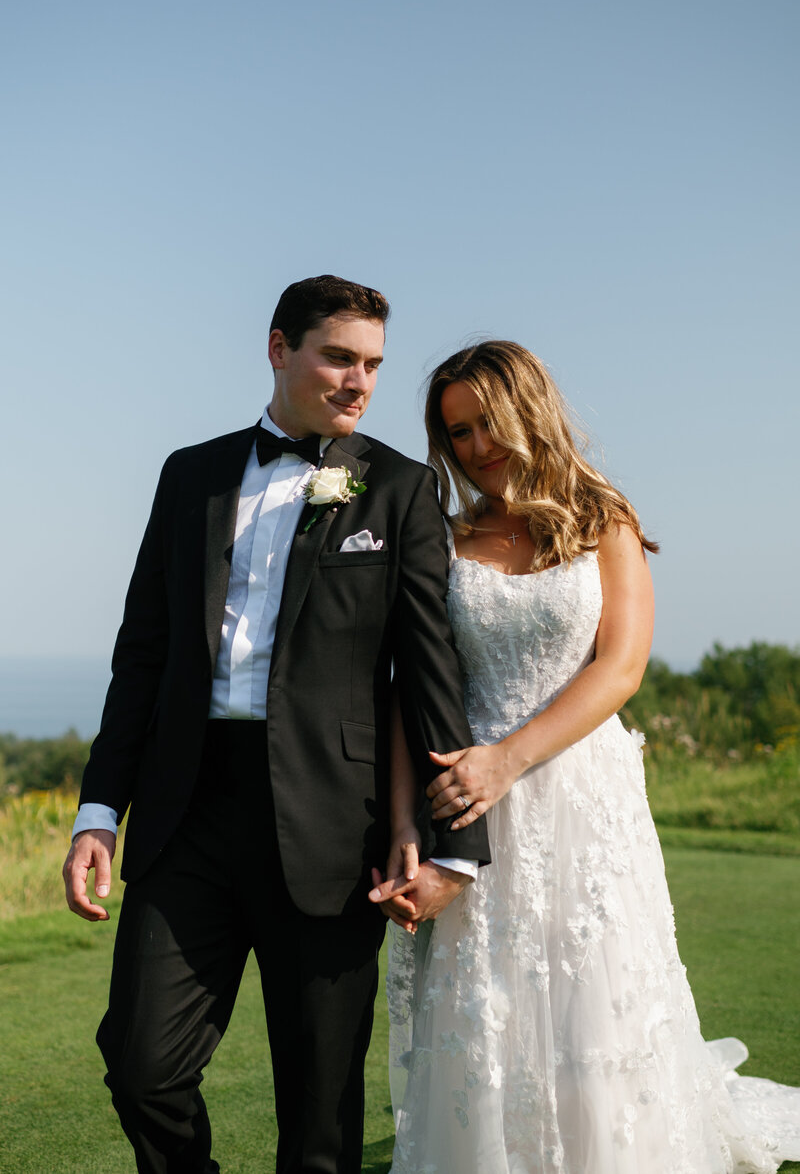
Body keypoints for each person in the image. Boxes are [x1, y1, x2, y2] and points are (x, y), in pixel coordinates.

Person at [61, 274, 490, 1174]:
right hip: (185, 815)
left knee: (321, 1119)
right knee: (140, 1065)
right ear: (278, 347)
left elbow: (428, 671)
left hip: (338, 829)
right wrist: (99, 811)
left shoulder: (400, 491)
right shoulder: (189, 475)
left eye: (371, 363)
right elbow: (142, 655)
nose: (358, 380)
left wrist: (456, 843)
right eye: (337, 355)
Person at [372, 340, 800, 1172]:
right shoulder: (446, 538)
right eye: (456, 434)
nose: (475, 448)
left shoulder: (605, 518)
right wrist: (408, 817)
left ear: (528, 408)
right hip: (470, 805)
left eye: (485, 423)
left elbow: (621, 666)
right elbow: (406, 684)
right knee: (488, 1004)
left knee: (593, 997)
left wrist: (507, 759)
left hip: (580, 788)